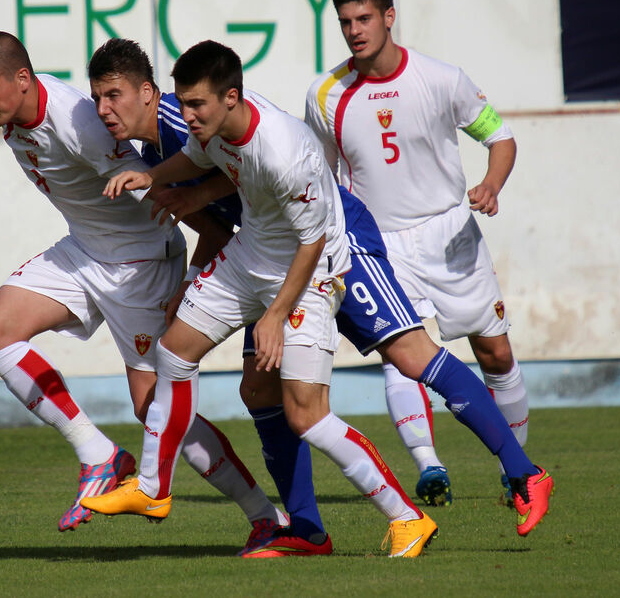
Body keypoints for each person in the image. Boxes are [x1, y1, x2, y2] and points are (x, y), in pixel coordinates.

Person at [87, 38, 554, 555]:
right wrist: (159, 182)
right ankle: (298, 526)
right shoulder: (192, 132)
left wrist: (273, 313)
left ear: (227, 98)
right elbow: (218, 170)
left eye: (114, 96)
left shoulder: (262, 143)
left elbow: (308, 237)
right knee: (253, 389)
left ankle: (522, 470)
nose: (186, 113)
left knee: (407, 356)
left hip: (334, 250)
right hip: (262, 253)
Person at [0, 32, 288, 545]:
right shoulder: (4, 99)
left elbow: (162, 194)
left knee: (153, 405)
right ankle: (98, 454)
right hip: (83, 250)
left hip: (138, 267)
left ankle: (264, 515)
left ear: (22, 80)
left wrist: (194, 271)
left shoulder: (82, 128)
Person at [304, 0, 553, 531]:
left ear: (389, 16)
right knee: (403, 354)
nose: (354, 31)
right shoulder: (326, 95)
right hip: (379, 244)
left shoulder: (443, 79)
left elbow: (501, 137)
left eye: (363, 18)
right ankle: (429, 465)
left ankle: (515, 475)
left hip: (449, 234)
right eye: (345, 22)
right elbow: (314, 172)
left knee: (496, 356)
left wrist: (490, 184)